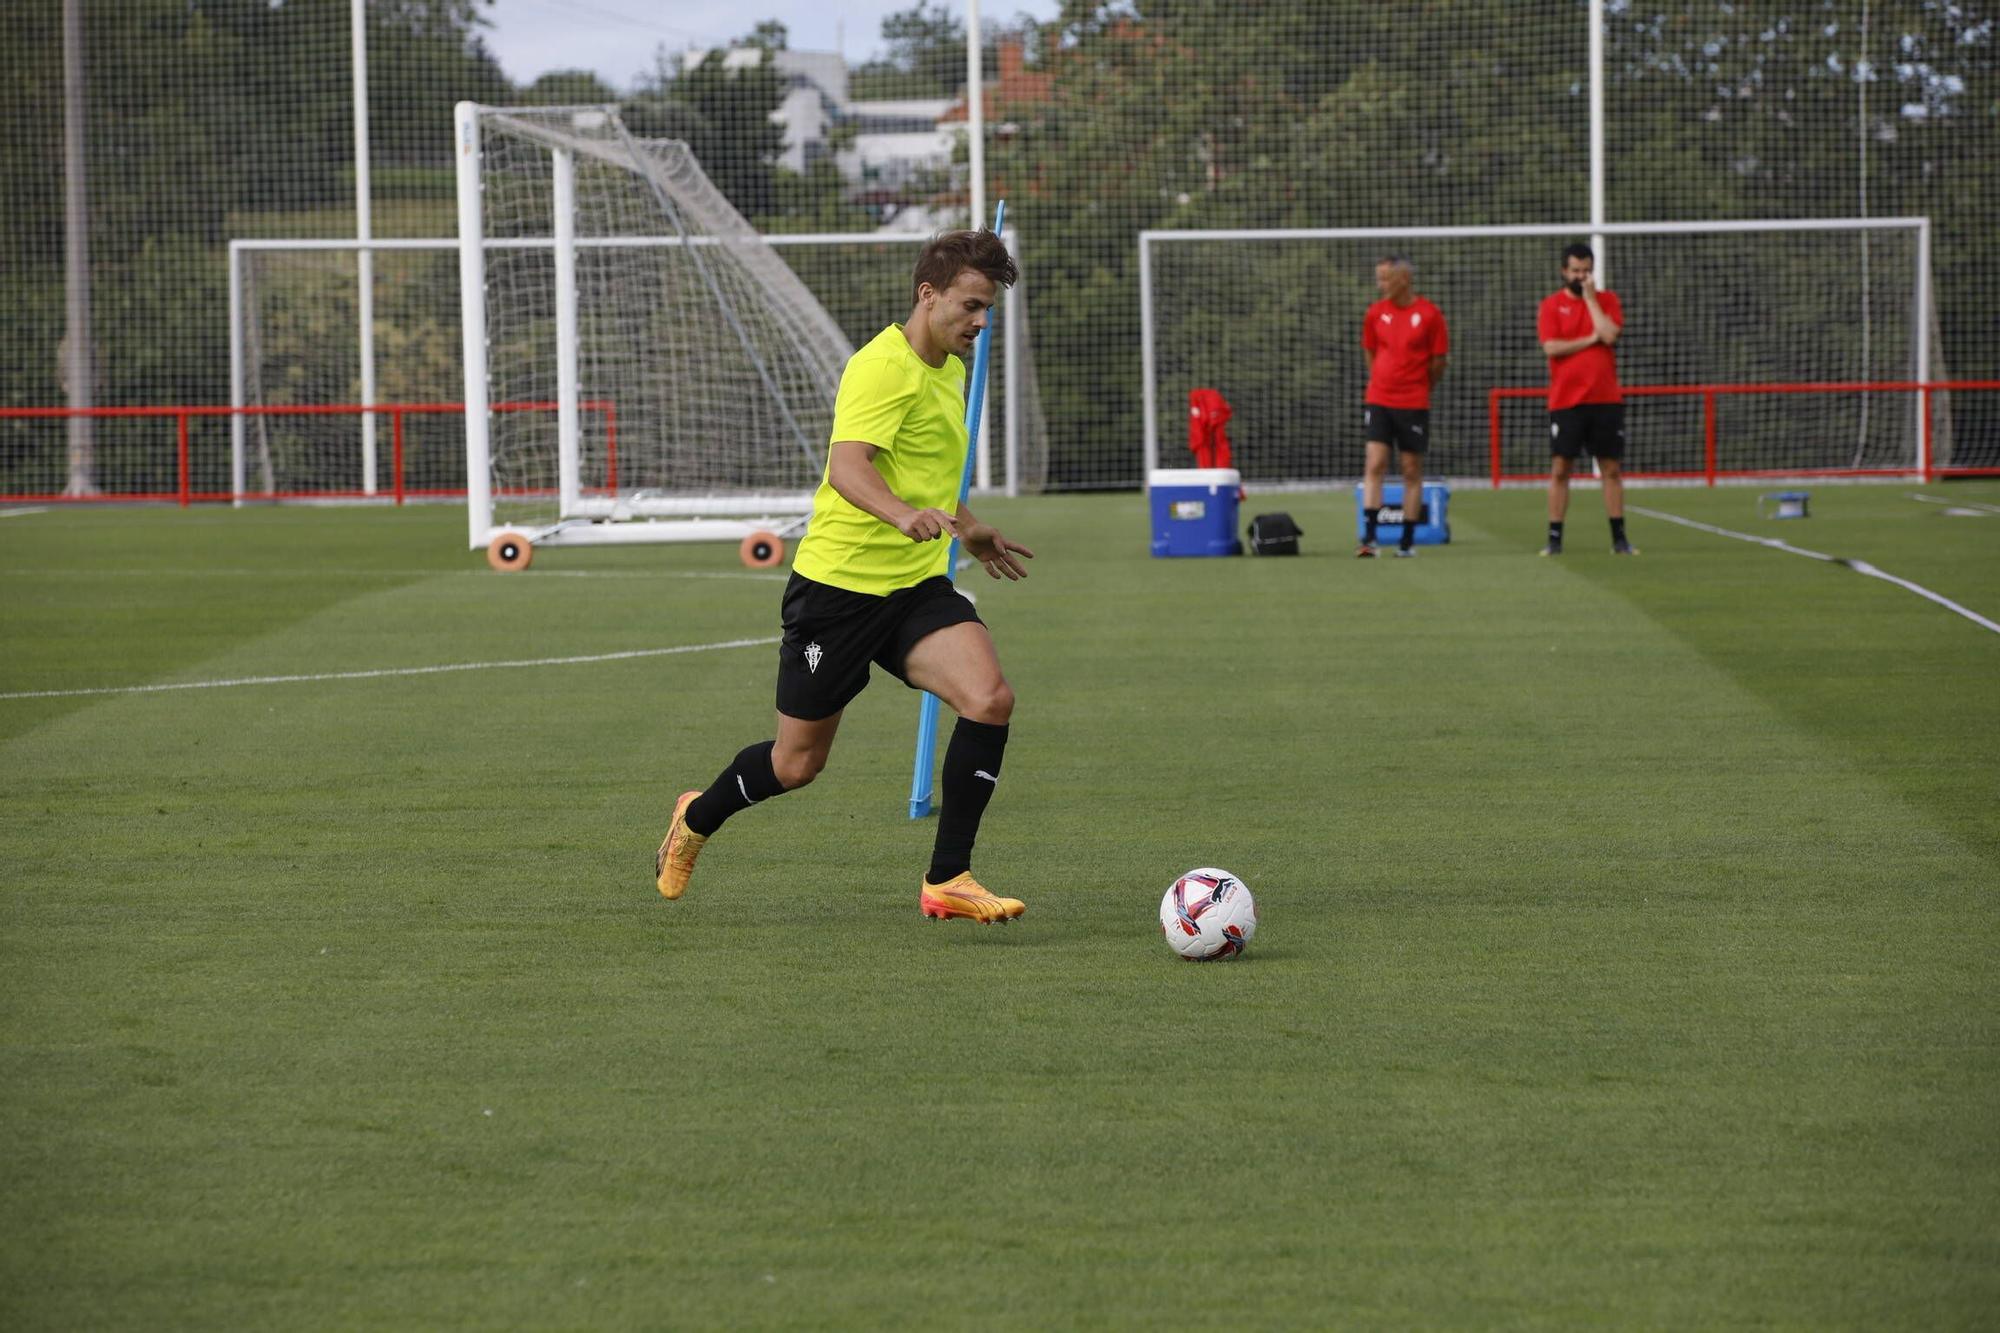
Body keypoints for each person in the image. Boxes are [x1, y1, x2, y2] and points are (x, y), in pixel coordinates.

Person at [654, 230, 1035, 924]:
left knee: (990, 698)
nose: (981, 322)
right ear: (929, 294)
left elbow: (927, 477)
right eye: (971, 305)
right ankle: (697, 815)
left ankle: (947, 876)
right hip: (837, 594)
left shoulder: (953, 367)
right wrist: (899, 516)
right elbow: (849, 469)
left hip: (914, 588)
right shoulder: (881, 367)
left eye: (988, 310)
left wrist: (967, 527)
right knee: (796, 764)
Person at [1537, 243, 1636, 555]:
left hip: (1605, 399)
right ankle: (1554, 539)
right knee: (1561, 468)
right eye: (1575, 271)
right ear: (1564, 271)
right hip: (1567, 401)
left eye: (1586, 271)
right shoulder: (1551, 306)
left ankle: (1619, 539)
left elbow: (1608, 335)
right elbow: (1552, 347)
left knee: (1611, 468)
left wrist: (1592, 301)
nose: (1581, 277)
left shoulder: (1607, 300)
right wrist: (1589, 339)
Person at [1358, 254, 1449, 558]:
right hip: (1379, 398)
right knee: (1375, 463)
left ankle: (1407, 543)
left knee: (1411, 469)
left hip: (1413, 402)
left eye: (1385, 278)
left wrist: (1420, 386)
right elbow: (1371, 354)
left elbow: (1438, 362)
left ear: (1404, 279)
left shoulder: (1430, 314)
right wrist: (1383, 382)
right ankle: (1369, 539)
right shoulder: (1374, 313)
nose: (1380, 284)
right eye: (1379, 277)